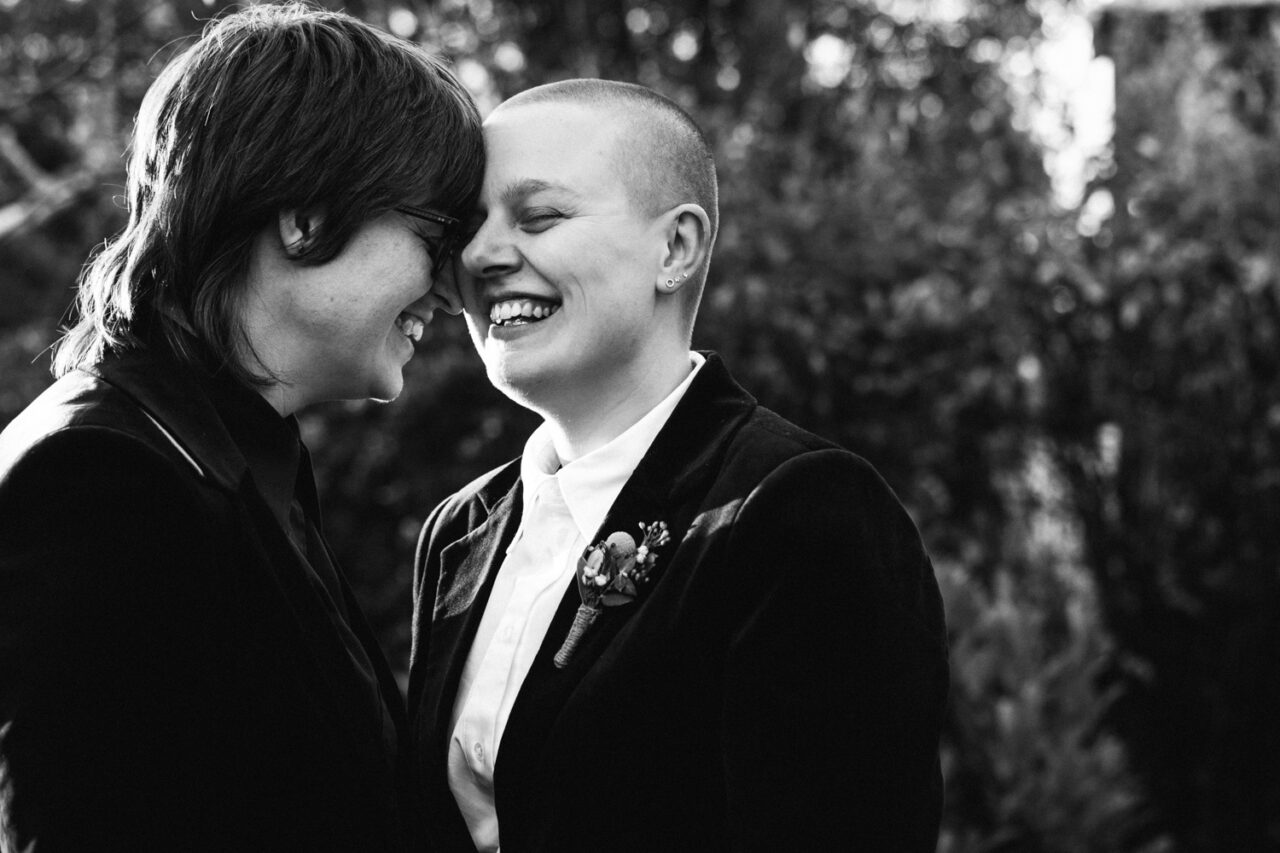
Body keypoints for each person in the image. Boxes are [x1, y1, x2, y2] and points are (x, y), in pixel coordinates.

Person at [407, 79, 949, 852]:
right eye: (471, 225)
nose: (482, 255)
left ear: (676, 247)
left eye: (540, 216)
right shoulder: (459, 530)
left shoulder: (799, 510)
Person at [0, 5, 482, 851]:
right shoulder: (102, 478)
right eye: (436, 236)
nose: (449, 290)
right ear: (306, 216)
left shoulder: (225, 454)